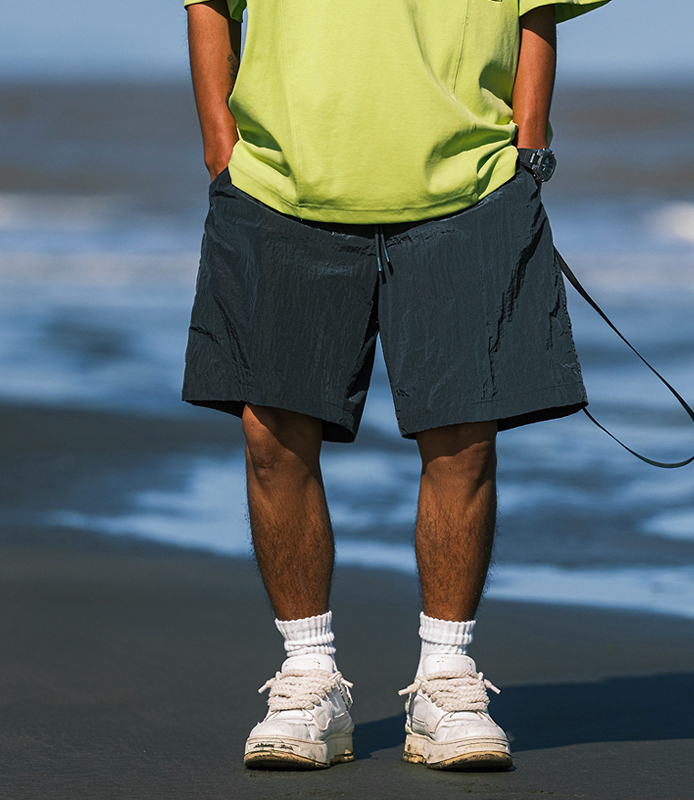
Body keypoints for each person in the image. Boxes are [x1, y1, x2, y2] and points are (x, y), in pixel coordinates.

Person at [183, 0, 608, 772]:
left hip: (472, 185)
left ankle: (446, 678)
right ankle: (308, 676)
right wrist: (222, 146)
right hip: (280, 186)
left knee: (464, 433)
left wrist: (531, 144)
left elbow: (538, 7)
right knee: (271, 435)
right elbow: (211, 4)